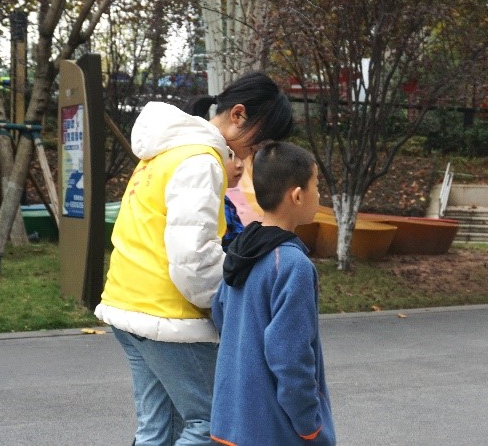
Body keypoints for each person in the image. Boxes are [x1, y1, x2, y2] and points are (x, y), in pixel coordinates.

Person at [95, 71, 294, 445]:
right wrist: (229, 306)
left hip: (127, 301)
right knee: (212, 423)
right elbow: (194, 259)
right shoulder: (202, 161)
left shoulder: (167, 151)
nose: (255, 152)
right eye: (260, 139)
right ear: (238, 115)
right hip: (168, 315)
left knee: (158, 430)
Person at [210, 142, 337, 446]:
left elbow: (219, 312)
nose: (319, 195)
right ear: (297, 195)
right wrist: (310, 426)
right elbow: (290, 357)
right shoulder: (292, 265)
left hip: (230, 424)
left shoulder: (242, 250)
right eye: (316, 186)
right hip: (274, 431)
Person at [222, 149, 245, 250]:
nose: (240, 164)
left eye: (241, 157)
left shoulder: (224, 200)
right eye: (230, 155)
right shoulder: (213, 203)